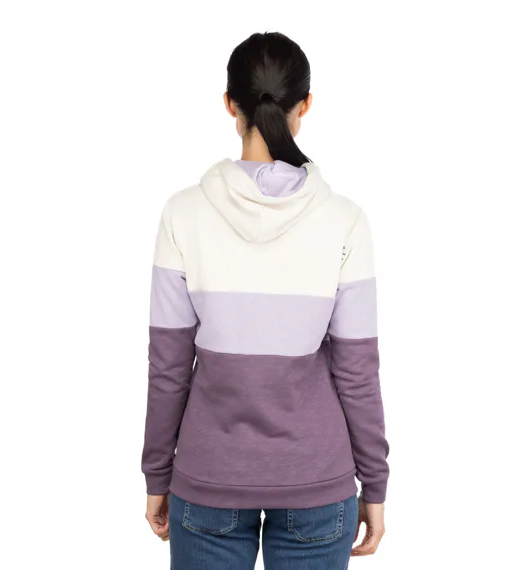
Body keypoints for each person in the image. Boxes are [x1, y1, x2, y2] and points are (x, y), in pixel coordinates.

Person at [141, 31, 390, 570]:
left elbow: (168, 368)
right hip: (318, 482)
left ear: (230, 104)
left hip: (207, 479)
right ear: (306, 105)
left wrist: (157, 474)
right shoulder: (344, 221)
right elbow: (357, 372)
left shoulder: (183, 214)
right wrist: (375, 483)